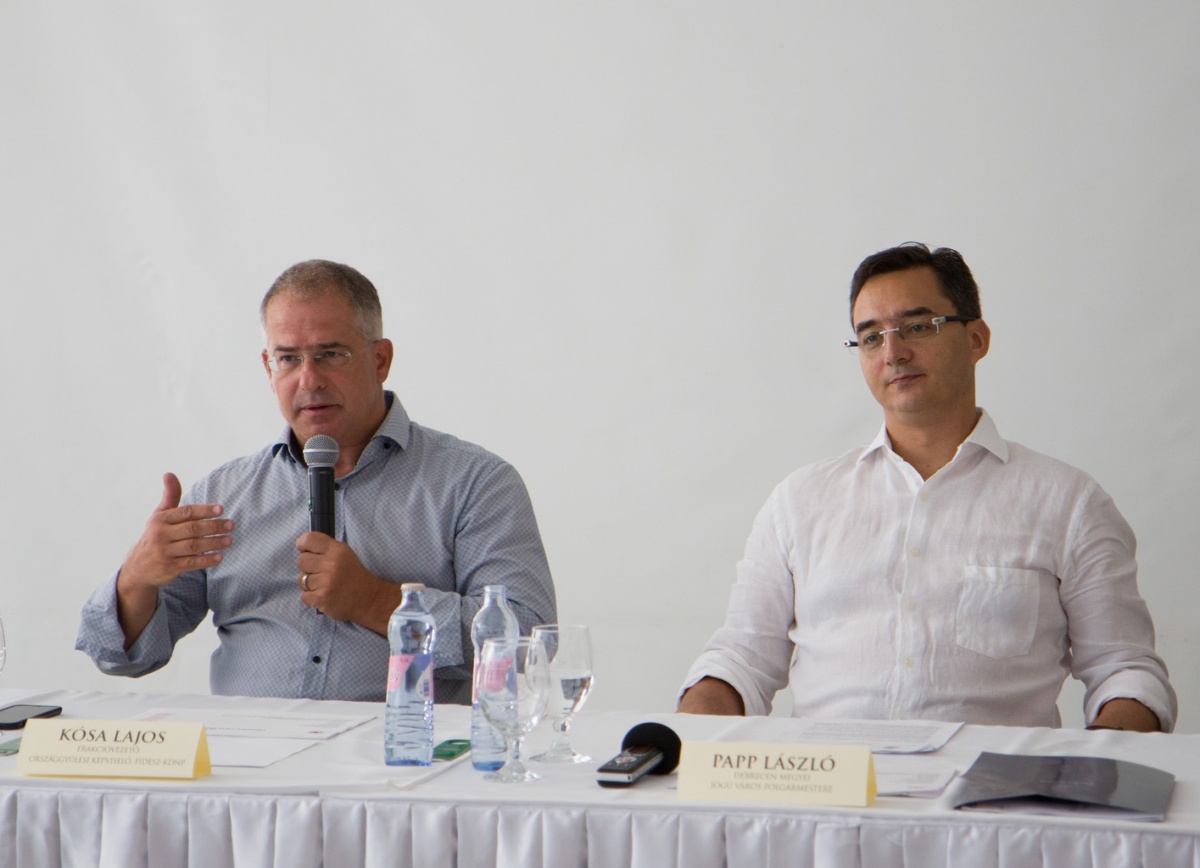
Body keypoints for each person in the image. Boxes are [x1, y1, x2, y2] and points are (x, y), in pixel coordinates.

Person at [677, 243, 1176, 732]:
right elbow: (741, 660)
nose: (893, 353)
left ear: (976, 339)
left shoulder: (1068, 504)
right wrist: (683, 734)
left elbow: (1124, 671)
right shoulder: (799, 502)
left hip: (994, 784)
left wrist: (1097, 769)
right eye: (871, 337)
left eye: (918, 327)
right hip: (830, 779)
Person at [77, 260, 556, 703]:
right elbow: (118, 655)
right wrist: (136, 578)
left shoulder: (475, 483)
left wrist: (375, 601)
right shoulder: (222, 497)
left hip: (405, 758)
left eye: (330, 354)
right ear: (268, 368)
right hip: (250, 760)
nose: (309, 379)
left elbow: (527, 644)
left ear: (380, 360)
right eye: (288, 358)